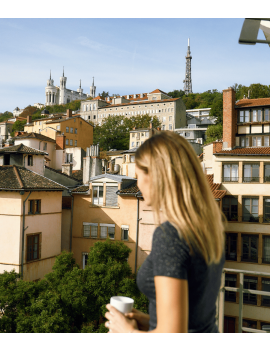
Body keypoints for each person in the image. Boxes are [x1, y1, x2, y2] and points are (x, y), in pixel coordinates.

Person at [105, 131, 225, 333]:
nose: (138, 184)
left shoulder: (170, 235)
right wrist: (149, 321)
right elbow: (194, 314)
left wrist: (128, 332)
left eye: (139, 176)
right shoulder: (209, 225)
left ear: (157, 176)